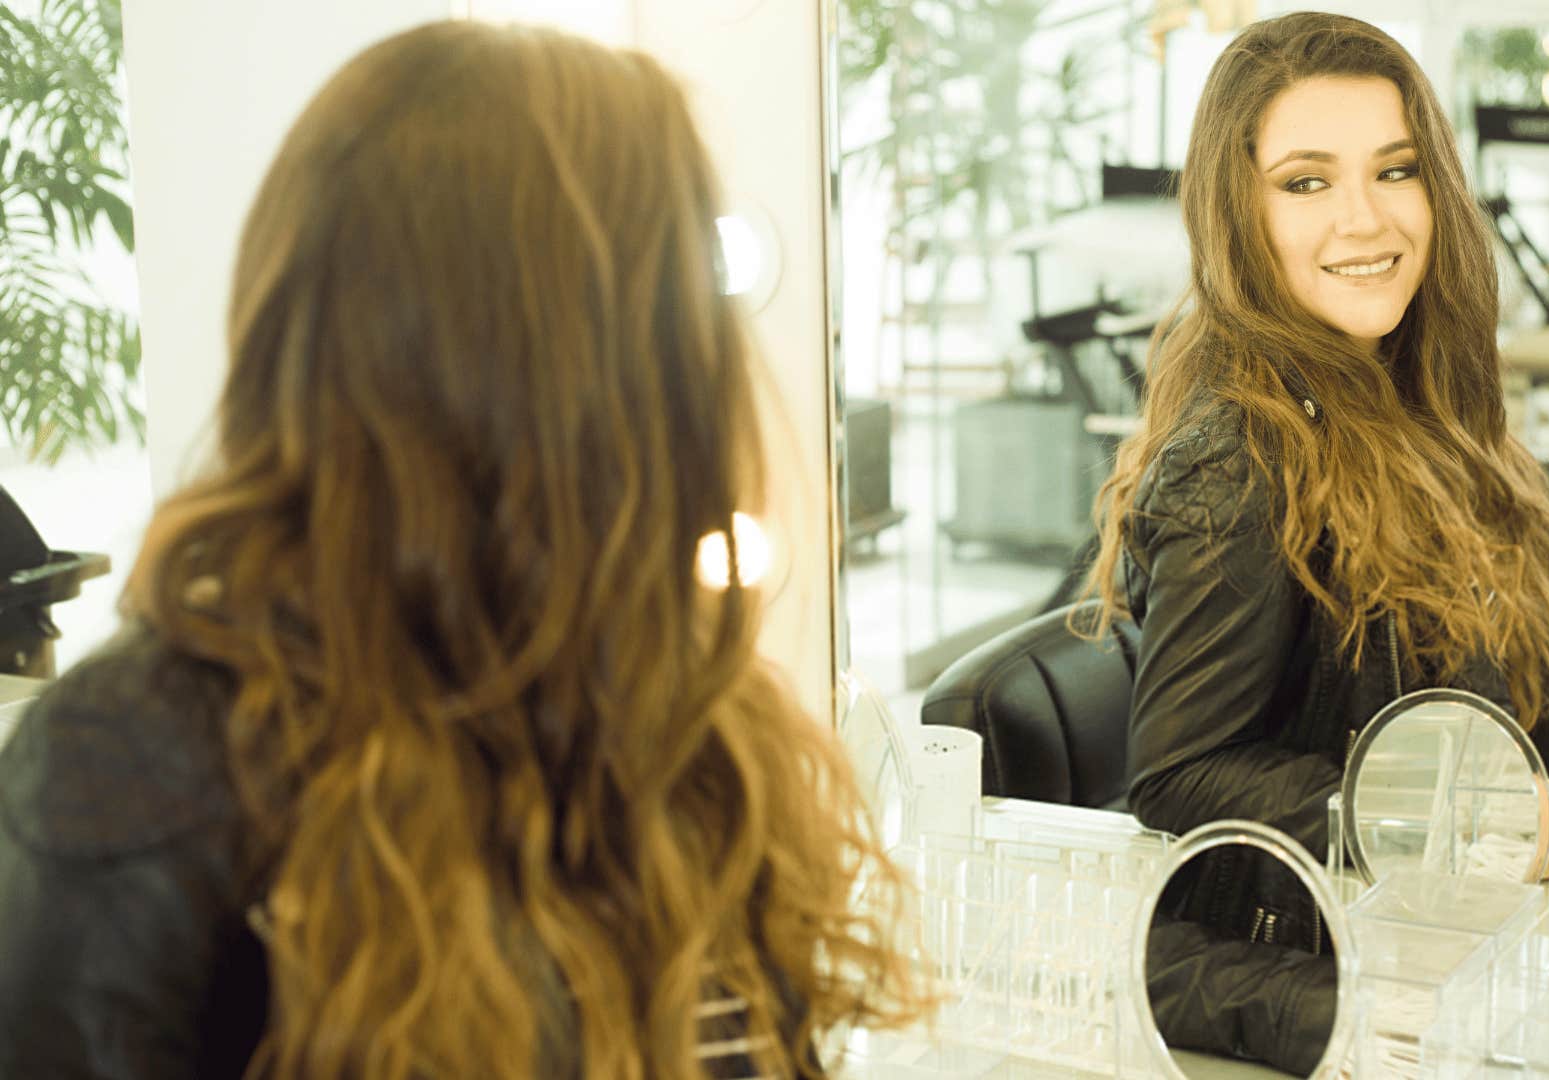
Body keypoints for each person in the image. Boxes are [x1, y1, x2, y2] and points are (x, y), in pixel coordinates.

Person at [0, 22, 927, 1079]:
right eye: (676, 314)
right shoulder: (145, 764)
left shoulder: (697, 736)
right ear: (561, 365)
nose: (711, 374)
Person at [1084, 13, 1549, 876]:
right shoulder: (1238, 458)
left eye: (1395, 171)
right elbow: (1179, 775)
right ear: (1239, 214)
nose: (1364, 220)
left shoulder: (1431, 409)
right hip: (1338, 971)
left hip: (1456, 930)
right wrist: (1442, 823)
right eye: (1305, 184)